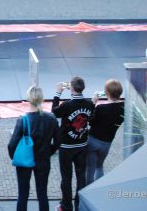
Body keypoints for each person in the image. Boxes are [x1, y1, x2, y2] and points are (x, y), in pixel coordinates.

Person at [8, 86, 60, 211]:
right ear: (41, 99)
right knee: (42, 193)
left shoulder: (23, 120)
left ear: (28, 99)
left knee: (23, 193)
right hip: (43, 160)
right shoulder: (51, 118)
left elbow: (12, 145)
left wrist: (15, 157)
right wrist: (49, 152)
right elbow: (58, 141)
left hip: (25, 160)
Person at [52, 77, 95, 211]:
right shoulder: (90, 104)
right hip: (82, 145)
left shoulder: (67, 105)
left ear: (71, 88)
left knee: (66, 178)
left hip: (66, 146)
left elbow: (54, 112)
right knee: (81, 177)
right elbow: (91, 118)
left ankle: (66, 206)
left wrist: (57, 93)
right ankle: (79, 205)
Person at [86, 79, 124, 185]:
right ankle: (99, 187)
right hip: (107, 142)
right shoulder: (123, 107)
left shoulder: (101, 108)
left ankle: (88, 190)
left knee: (90, 168)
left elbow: (90, 121)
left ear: (106, 92)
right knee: (99, 166)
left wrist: (93, 103)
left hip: (93, 140)